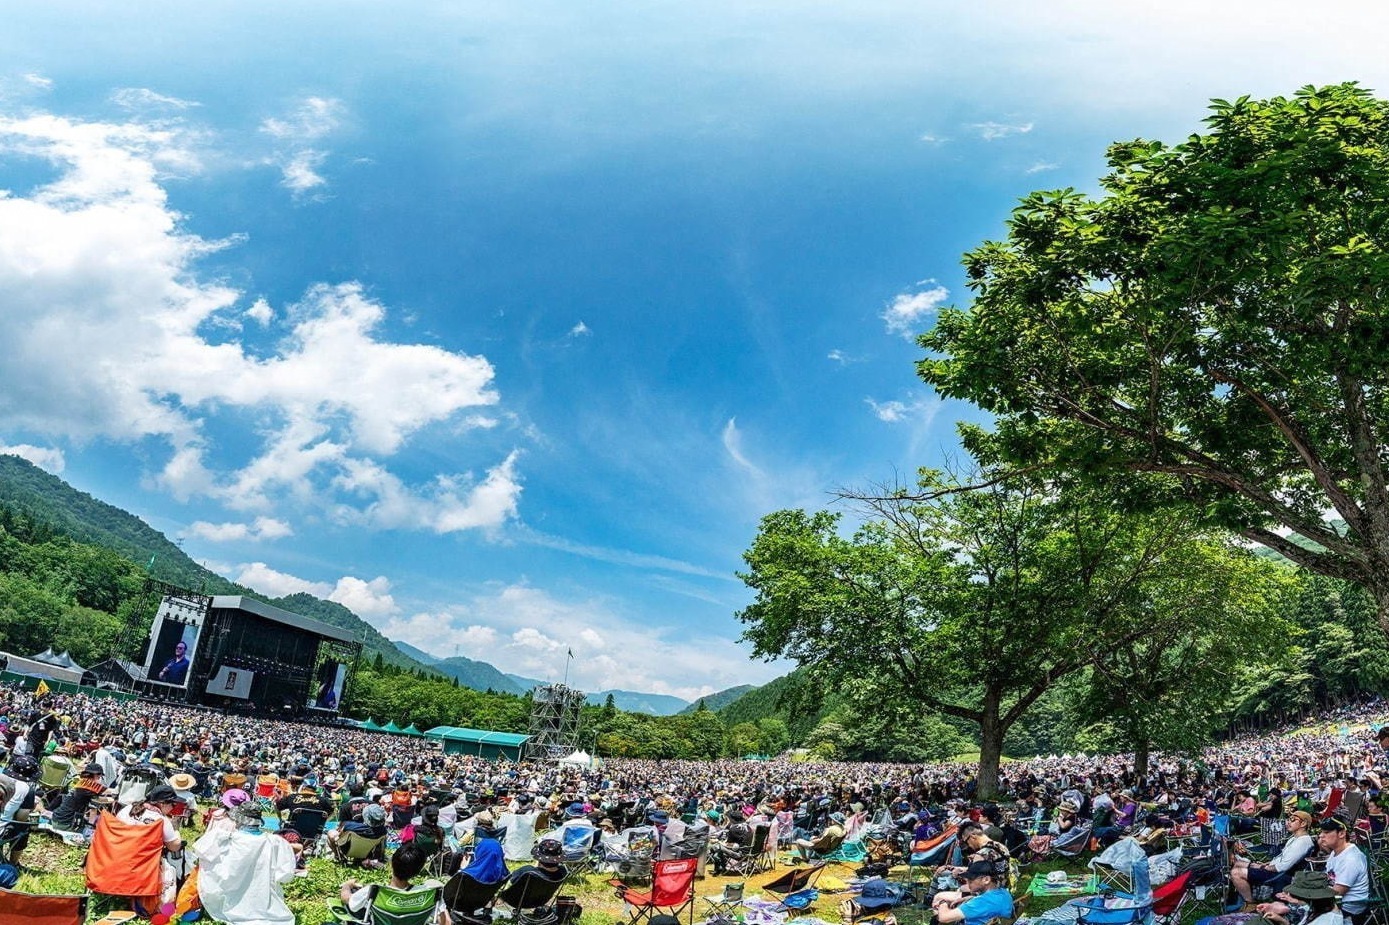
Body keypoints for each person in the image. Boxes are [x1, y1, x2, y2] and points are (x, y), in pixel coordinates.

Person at [193, 801, 297, 925]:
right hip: (262, 896)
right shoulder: (274, 842)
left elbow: (202, 855)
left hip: (229, 894)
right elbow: (286, 875)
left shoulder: (225, 838)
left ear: (239, 820)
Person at [339, 842, 450, 924]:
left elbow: (348, 900)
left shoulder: (374, 891)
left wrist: (347, 885)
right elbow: (447, 922)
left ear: (392, 863)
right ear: (418, 871)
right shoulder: (430, 893)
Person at [1230, 810, 1315, 903]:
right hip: (1275, 870)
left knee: (1236, 873)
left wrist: (1262, 867)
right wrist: (1266, 864)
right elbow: (1281, 858)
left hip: (1280, 876)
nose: (1288, 822)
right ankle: (1237, 896)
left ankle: (1250, 902)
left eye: (1293, 819)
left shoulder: (1302, 842)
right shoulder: (1295, 838)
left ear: (1303, 823)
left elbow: (1282, 867)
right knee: (1239, 863)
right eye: (1288, 819)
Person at [1318, 816, 1370, 924]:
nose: (1321, 836)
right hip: (1338, 900)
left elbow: (1336, 893)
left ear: (1341, 834)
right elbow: (1328, 878)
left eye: (1326, 832)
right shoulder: (1337, 851)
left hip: (1349, 907)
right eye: (1321, 832)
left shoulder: (1351, 859)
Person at [931, 859, 1015, 925]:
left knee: (936, 919)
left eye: (971, 880)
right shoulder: (1004, 893)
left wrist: (943, 902)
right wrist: (970, 897)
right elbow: (987, 905)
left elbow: (944, 918)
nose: (967, 883)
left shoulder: (980, 903)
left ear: (986, 880)